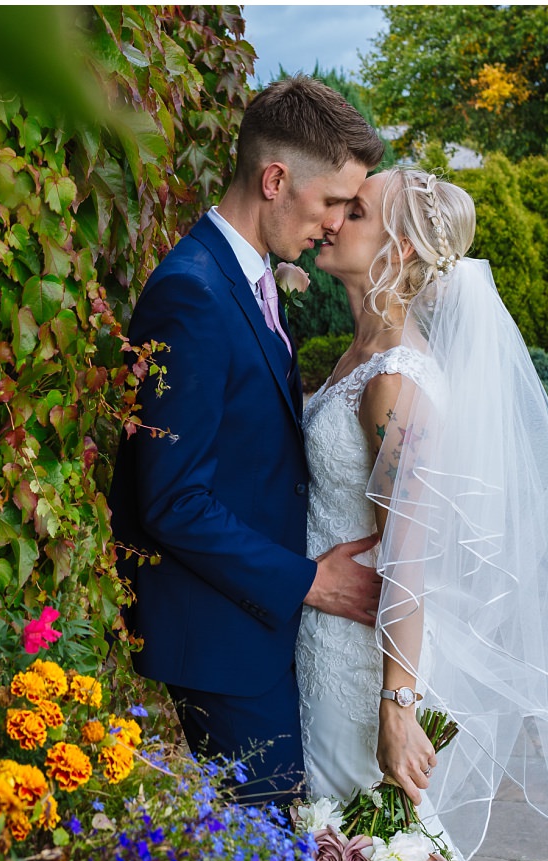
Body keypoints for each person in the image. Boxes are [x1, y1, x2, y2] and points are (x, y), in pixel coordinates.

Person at [296, 167, 548, 861]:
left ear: (397, 248)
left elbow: (409, 557)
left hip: (359, 663)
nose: (334, 217)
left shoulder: (397, 383)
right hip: (323, 632)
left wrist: (397, 704)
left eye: (356, 209)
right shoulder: (361, 356)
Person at [108, 75, 387, 800]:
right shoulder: (191, 293)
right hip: (221, 642)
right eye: (331, 201)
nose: (334, 223)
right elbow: (172, 499)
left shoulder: (250, 277)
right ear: (274, 178)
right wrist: (310, 580)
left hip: (257, 633)